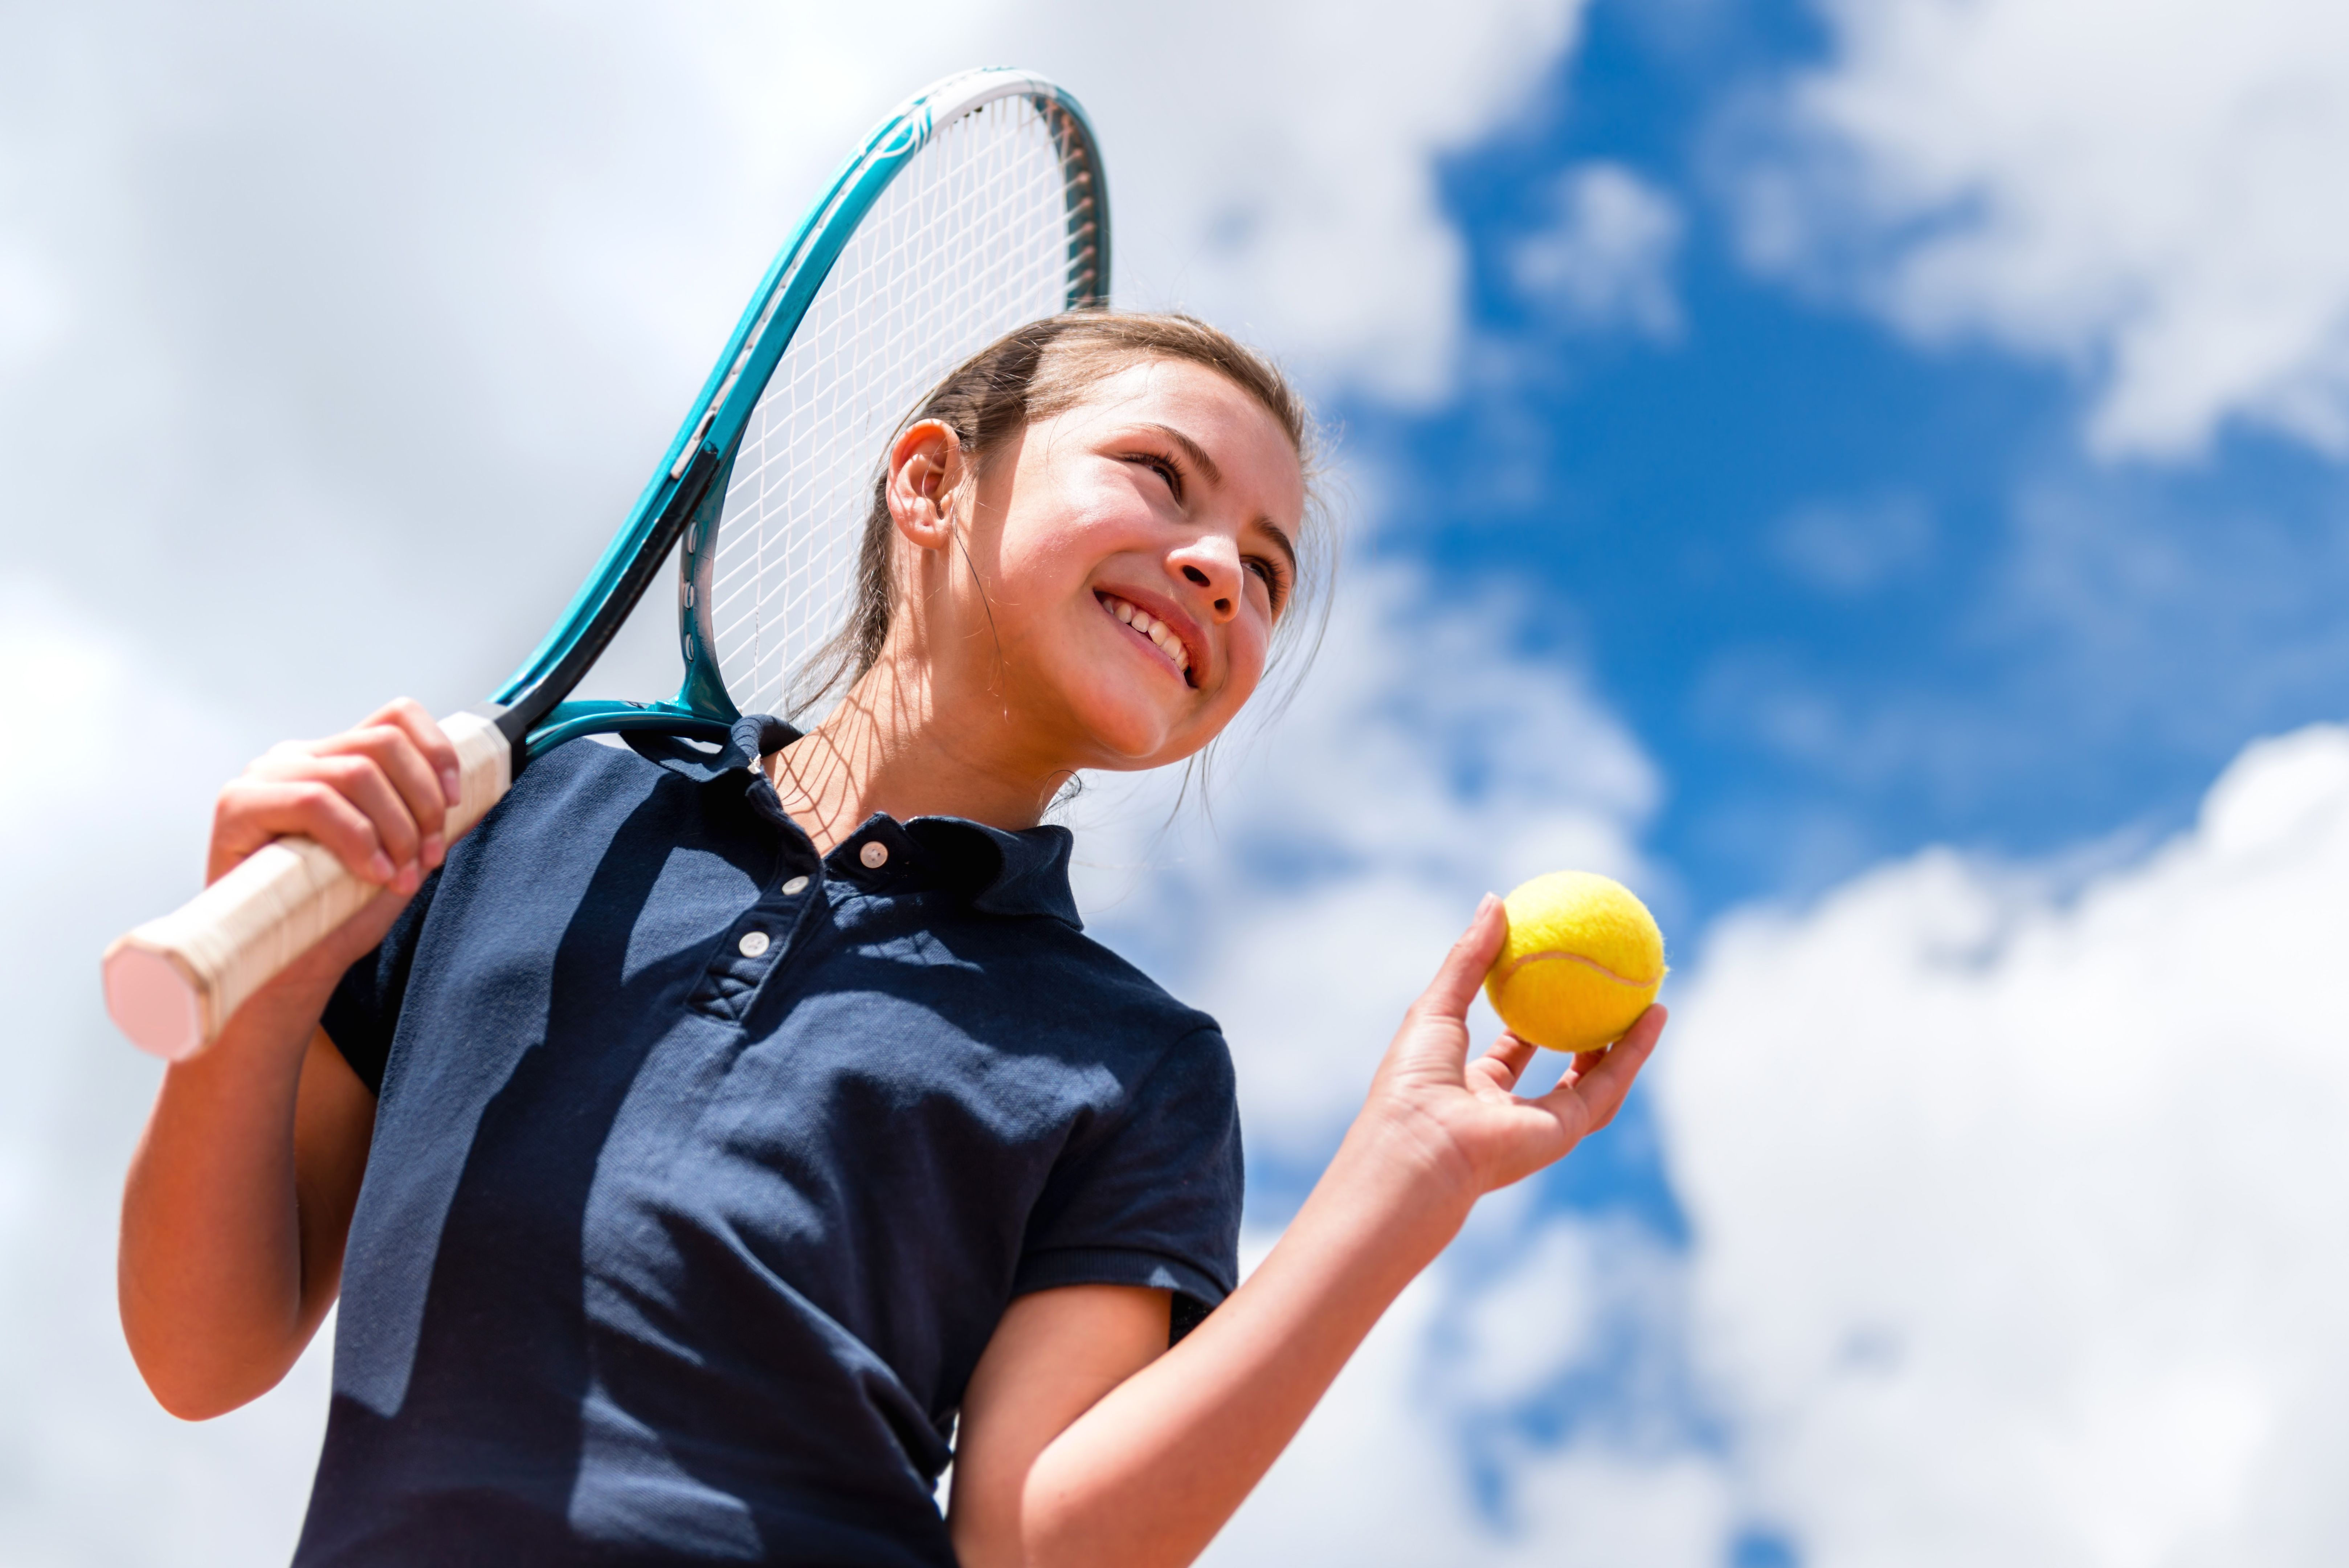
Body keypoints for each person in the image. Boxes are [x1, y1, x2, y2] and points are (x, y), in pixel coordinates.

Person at [118, 313, 1665, 1567]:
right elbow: (203, 1353)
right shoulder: (539, 816)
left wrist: (1404, 1184)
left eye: (1266, 573)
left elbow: (1033, 1548)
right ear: (929, 484)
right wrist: (265, 999)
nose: (1219, 570)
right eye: (1160, 477)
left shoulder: (1136, 1065)